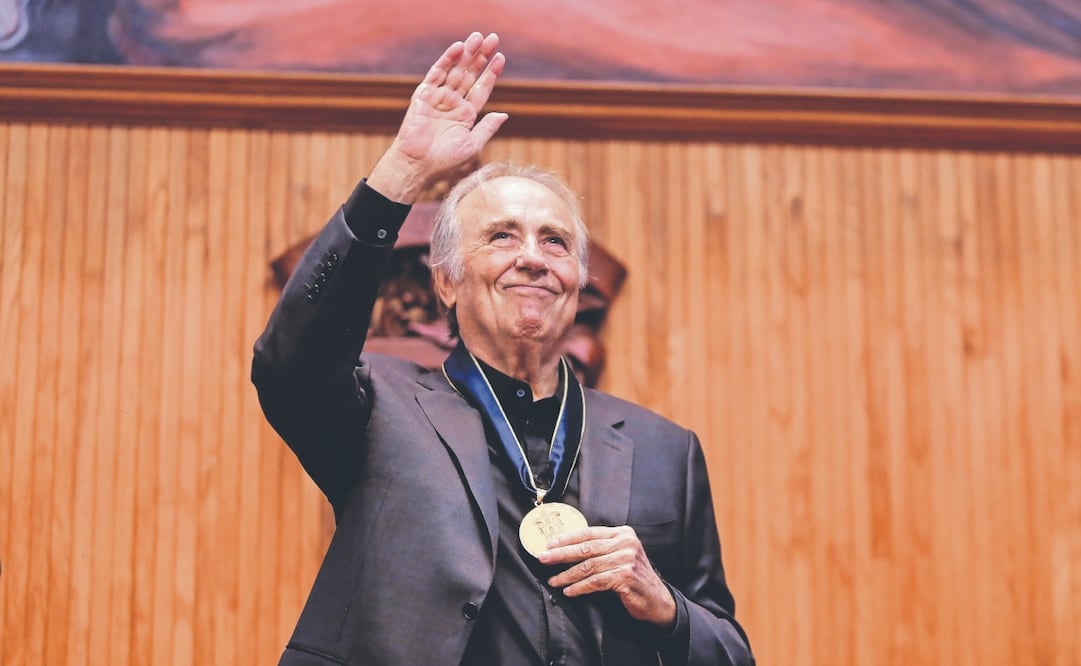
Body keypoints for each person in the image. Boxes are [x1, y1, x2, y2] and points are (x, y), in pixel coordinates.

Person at [252, 31, 754, 666]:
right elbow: (290, 361)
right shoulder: (376, 405)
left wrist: (665, 605)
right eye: (501, 237)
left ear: (578, 279)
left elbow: (730, 650)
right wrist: (402, 170)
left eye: (555, 242)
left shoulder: (665, 449)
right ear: (445, 281)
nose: (533, 258)